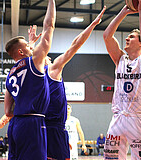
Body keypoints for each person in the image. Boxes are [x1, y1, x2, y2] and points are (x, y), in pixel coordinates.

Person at [43, 6, 106, 160]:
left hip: (42, 128)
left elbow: (75, 43)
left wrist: (91, 26)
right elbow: (75, 45)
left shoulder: (36, 74)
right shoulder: (50, 69)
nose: (49, 58)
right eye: (47, 56)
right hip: (52, 128)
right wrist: (92, 25)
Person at [103, 0, 141, 159]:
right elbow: (107, 36)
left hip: (138, 120)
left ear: (140, 44)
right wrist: (124, 12)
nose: (127, 39)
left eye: (131, 37)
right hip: (118, 118)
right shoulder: (120, 59)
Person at [4, 0, 55, 159]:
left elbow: (7, 112)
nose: (31, 46)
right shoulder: (34, 62)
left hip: (15, 126)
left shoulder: (10, 75)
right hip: (33, 123)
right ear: (21, 51)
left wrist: (29, 44)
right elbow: (49, 26)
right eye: (28, 45)